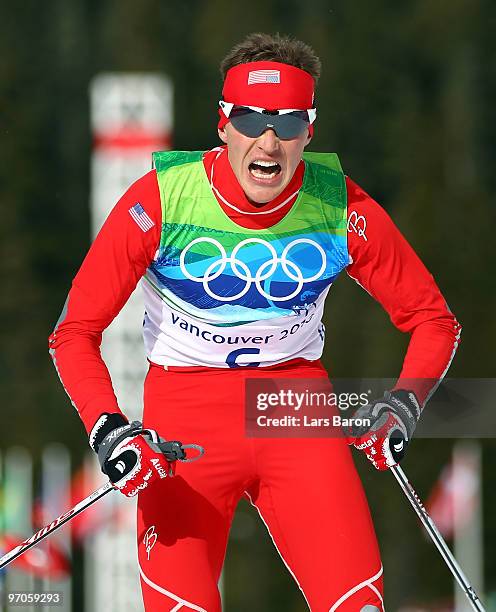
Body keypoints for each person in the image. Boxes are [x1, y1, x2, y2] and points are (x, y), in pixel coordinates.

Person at [49, 32, 461, 611]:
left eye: (289, 124)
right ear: (223, 124)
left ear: (308, 132)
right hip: (184, 427)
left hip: (293, 410)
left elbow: (433, 319)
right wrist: (108, 428)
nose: (269, 142)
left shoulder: (340, 206)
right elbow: (74, 332)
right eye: (251, 119)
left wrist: (404, 404)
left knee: (357, 603)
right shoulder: (161, 201)